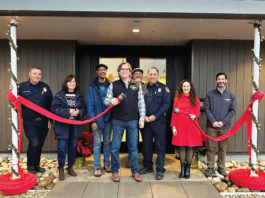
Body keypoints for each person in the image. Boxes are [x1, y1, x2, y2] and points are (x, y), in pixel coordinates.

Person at [105, 62, 145, 182]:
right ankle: (115, 172)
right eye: (122, 69)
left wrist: (142, 118)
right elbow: (106, 101)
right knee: (115, 148)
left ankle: (135, 171)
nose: (125, 71)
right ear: (119, 71)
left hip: (133, 121)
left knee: (133, 148)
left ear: (130, 71)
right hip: (118, 121)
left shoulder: (136, 85)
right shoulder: (113, 85)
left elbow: (141, 102)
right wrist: (111, 100)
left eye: (127, 69)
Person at [51, 74, 87, 181]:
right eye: (70, 82)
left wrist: (79, 112)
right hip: (62, 126)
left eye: (74, 82)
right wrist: (68, 111)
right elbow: (53, 109)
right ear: (66, 83)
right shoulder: (59, 95)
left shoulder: (79, 95)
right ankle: (61, 168)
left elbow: (84, 109)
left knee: (72, 148)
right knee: (62, 148)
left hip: (74, 126)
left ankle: (70, 167)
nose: (72, 84)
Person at [18, 67, 53, 174]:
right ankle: (30, 166)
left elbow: (51, 105)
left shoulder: (45, 87)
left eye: (39, 74)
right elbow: (13, 98)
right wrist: (11, 89)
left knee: (40, 144)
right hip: (30, 121)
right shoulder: (21, 87)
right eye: (34, 73)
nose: (37, 76)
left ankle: (37, 165)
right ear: (29, 74)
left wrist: (50, 120)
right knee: (34, 143)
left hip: (43, 121)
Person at [139, 67, 170, 180]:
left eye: (154, 74)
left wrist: (155, 116)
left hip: (159, 122)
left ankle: (160, 169)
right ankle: (148, 167)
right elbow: (138, 103)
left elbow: (166, 104)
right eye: (150, 74)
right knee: (146, 146)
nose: (152, 76)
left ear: (158, 75)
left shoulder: (164, 88)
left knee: (160, 146)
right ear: (148, 75)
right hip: (146, 122)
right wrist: (144, 117)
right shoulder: (142, 88)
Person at [204, 72, 236, 177]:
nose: (221, 81)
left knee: (223, 148)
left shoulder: (230, 96)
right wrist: (213, 121)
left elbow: (233, 111)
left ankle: (221, 167)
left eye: (223, 79)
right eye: (219, 79)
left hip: (225, 127)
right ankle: (210, 167)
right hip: (211, 127)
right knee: (211, 148)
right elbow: (207, 109)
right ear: (216, 81)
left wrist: (223, 122)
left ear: (226, 80)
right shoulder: (210, 94)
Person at [170, 80, 202, 179]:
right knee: (182, 147)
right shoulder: (177, 98)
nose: (186, 88)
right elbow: (174, 112)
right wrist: (173, 126)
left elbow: (198, 112)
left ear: (190, 87)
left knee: (190, 147)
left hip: (191, 125)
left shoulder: (195, 99)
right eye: (184, 86)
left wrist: (195, 115)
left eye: (187, 86)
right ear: (181, 88)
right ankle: (182, 169)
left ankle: (188, 168)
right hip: (180, 125)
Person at [87, 64, 112, 177]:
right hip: (97, 120)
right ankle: (97, 166)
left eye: (104, 70)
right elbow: (90, 104)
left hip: (109, 119)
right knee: (97, 144)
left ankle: (106, 163)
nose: (102, 71)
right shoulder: (92, 86)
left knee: (107, 142)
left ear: (106, 72)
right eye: (100, 70)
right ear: (97, 72)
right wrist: (92, 121)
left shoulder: (111, 85)